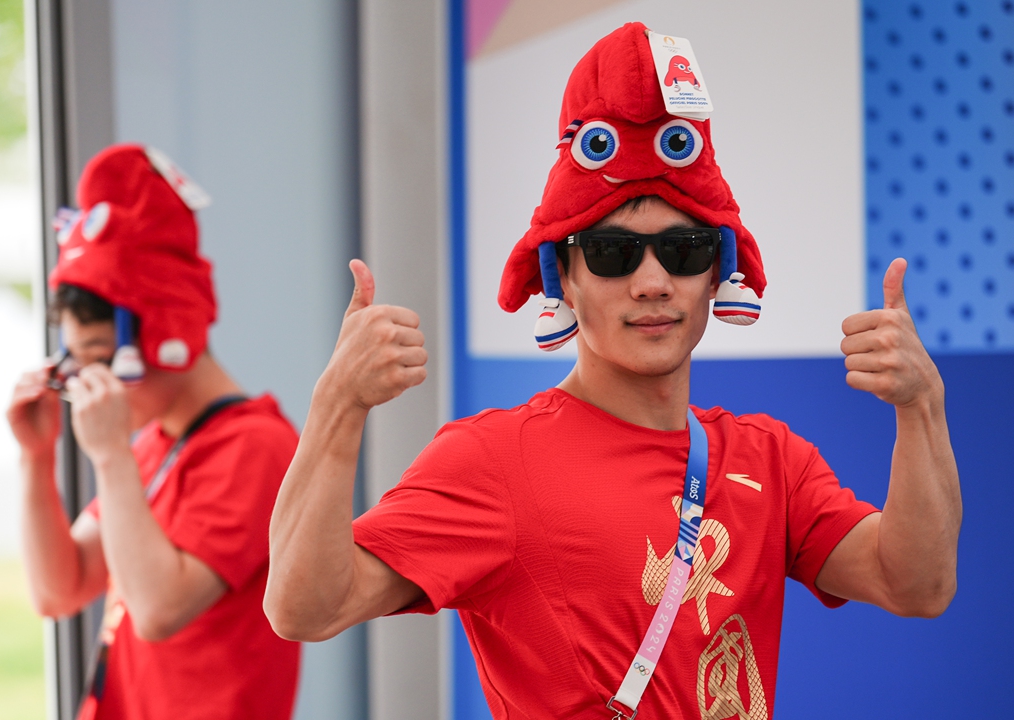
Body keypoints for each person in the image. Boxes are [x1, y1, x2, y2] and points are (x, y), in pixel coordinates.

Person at [265, 23, 960, 720]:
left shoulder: (769, 459)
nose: (653, 282)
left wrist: (921, 405)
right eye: (611, 254)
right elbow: (305, 607)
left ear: (719, 272)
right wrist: (337, 406)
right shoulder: (494, 462)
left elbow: (916, 585)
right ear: (561, 276)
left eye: (684, 250)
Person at [8, 144, 300, 720]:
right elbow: (59, 589)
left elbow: (159, 607)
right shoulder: (153, 441)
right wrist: (35, 457)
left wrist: (111, 456)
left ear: (166, 332)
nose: (89, 382)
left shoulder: (255, 447)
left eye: (98, 357)